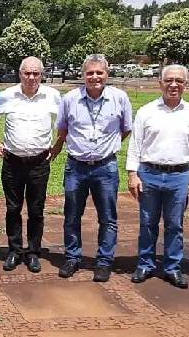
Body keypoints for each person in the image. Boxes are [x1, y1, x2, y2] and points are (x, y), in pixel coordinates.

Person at [53, 54, 132, 282]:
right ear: (83, 75)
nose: (95, 77)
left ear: (107, 73)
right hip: (76, 167)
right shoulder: (70, 99)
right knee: (71, 215)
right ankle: (72, 257)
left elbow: (125, 129)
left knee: (107, 217)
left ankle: (104, 261)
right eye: (90, 73)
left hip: (105, 167)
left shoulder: (119, 98)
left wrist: (106, 148)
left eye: (99, 72)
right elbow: (63, 130)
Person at [126, 65, 189, 289]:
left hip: (179, 176)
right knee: (148, 222)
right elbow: (135, 145)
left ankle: (172, 267)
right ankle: (145, 264)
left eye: (179, 81)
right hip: (149, 173)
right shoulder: (146, 111)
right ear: (160, 83)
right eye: (169, 80)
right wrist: (133, 173)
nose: (174, 85)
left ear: (186, 85)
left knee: (175, 225)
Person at [0, 56, 61, 273]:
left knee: (36, 209)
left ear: (42, 75)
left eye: (36, 73)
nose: (31, 77)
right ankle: (14, 250)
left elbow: (65, 122)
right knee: (13, 208)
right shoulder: (7, 96)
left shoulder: (52, 96)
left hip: (38, 163)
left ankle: (33, 252)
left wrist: (58, 144)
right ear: (20, 74)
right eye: (27, 73)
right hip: (12, 162)